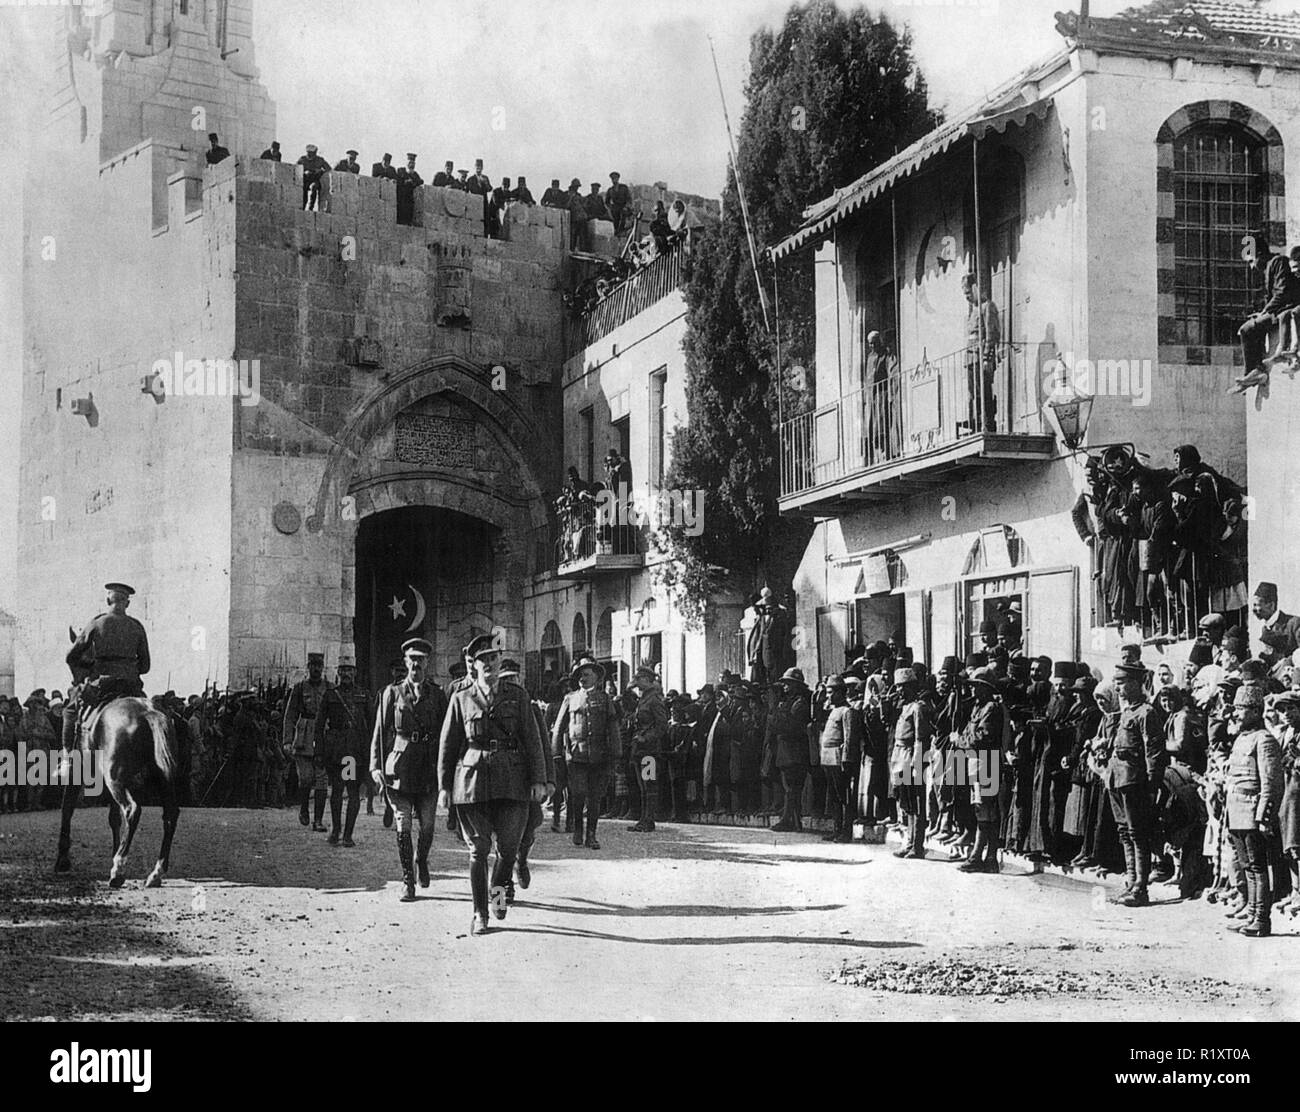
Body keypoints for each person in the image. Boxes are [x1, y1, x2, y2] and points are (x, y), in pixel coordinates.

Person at [438, 635, 547, 935]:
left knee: (508, 850)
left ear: (499, 662)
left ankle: (498, 891)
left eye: (493, 658)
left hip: (513, 781)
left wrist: (539, 779)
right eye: (482, 660)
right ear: (472, 666)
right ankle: (480, 913)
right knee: (478, 849)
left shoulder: (517, 696)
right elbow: (448, 745)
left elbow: (532, 738)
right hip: (472, 782)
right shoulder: (460, 698)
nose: (489, 665)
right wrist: (445, 786)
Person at [371, 638, 447, 902]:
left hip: (427, 768)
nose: (416, 664)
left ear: (427, 663)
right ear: (405, 663)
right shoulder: (390, 693)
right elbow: (380, 734)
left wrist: (447, 770)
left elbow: (446, 734)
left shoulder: (438, 695)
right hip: (399, 768)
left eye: (421, 659)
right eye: (411, 659)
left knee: (427, 827)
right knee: (403, 825)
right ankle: (407, 881)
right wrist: (375, 767)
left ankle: (421, 860)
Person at [1104, 661, 1167, 907]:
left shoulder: (1146, 712)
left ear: (1134, 684)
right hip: (1117, 778)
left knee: (1137, 833)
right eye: (1117, 683)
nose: (1118, 688)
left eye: (1121, 683)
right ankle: (1131, 882)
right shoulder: (1128, 711)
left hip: (1134, 779)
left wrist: (1152, 782)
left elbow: (1153, 750)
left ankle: (1141, 887)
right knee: (1124, 832)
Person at [64, 582, 152, 755]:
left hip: (102, 684)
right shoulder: (137, 626)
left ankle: (67, 758)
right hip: (131, 685)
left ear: (107, 600)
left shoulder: (97, 623)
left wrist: (90, 666)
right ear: (127, 603)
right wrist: (128, 667)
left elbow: (71, 656)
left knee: (70, 710)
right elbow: (145, 666)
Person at [1225, 685, 1283, 936]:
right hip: (1236, 810)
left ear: (1257, 711)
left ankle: (1261, 919)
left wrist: (1263, 816)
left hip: (1251, 812)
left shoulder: (1265, 739)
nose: (1237, 713)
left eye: (1243, 709)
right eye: (1237, 708)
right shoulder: (1241, 738)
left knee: (1258, 866)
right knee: (1247, 865)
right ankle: (1251, 914)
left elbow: (1271, 782)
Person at [552, 657, 622, 849]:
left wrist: (616, 753)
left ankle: (591, 834)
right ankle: (577, 829)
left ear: (597, 678)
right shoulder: (570, 698)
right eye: (580, 675)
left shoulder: (605, 699)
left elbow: (613, 727)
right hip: (576, 756)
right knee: (578, 793)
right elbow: (559, 727)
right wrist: (556, 752)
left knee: (595, 796)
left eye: (587, 675)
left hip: (600, 756)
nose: (582, 678)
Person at [503, 658, 555, 902]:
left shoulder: (531, 708)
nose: (511, 684)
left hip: (527, 779)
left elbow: (544, 745)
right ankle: (502, 894)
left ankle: (522, 860)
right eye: (506, 680)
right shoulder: (489, 707)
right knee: (502, 839)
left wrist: (549, 780)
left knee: (531, 825)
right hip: (501, 781)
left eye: (514, 678)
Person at [318, 659, 370, 846]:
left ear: (355, 672)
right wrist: (319, 751)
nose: (346, 674)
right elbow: (319, 725)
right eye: (343, 670)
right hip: (335, 750)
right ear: (338, 672)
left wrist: (369, 752)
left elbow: (371, 725)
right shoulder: (331, 695)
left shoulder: (363, 695)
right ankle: (336, 830)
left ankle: (348, 834)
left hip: (352, 752)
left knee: (352, 790)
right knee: (337, 790)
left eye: (350, 670)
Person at [1235, 242, 1300, 389]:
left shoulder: (1278, 262)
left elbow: (1282, 292)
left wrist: (1266, 311)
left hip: (1285, 309)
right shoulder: (1270, 266)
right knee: (1252, 326)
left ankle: (1253, 373)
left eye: (1252, 261)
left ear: (1259, 254)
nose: (1252, 266)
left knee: (1247, 329)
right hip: (1278, 310)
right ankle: (1256, 372)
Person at [284, 652, 331, 831]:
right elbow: (289, 716)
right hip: (304, 736)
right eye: (313, 666)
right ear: (308, 667)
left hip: (323, 736)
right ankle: (304, 808)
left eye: (319, 666)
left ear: (323, 667)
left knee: (321, 780)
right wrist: (287, 740)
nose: (316, 669)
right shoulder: (299, 688)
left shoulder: (330, 688)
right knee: (306, 779)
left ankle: (318, 820)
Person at [770, 668, 812, 832]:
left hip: (794, 751)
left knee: (792, 787)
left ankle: (790, 820)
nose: (785, 687)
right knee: (790, 787)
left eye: (788, 684)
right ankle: (793, 820)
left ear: (796, 685)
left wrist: (778, 715)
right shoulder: (790, 702)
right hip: (787, 751)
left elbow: (790, 726)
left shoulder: (799, 703)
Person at [962, 272, 1001, 433]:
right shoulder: (973, 311)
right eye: (965, 294)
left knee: (984, 390)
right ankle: (976, 420)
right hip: (971, 357)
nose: (967, 297)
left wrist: (987, 358)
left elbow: (992, 334)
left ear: (975, 287)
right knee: (974, 392)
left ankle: (987, 422)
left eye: (968, 293)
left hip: (980, 356)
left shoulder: (988, 307)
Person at [297, 145, 330, 211]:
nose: (310, 155)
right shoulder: (302, 159)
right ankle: (303, 207)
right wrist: (304, 172)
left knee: (314, 187)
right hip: (305, 179)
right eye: (309, 153)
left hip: (315, 179)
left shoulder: (320, 160)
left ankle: (310, 208)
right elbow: (296, 169)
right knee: (304, 190)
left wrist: (320, 171)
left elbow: (328, 169)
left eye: (312, 154)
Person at [395, 153, 422, 226]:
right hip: (401, 198)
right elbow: (397, 181)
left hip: (410, 198)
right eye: (410, 163)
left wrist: (413, 182)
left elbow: (420, 181)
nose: (411, 165)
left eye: (413, 163)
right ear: (406, 163)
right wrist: (405, 182)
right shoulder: (401, 171)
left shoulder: (415, 174)